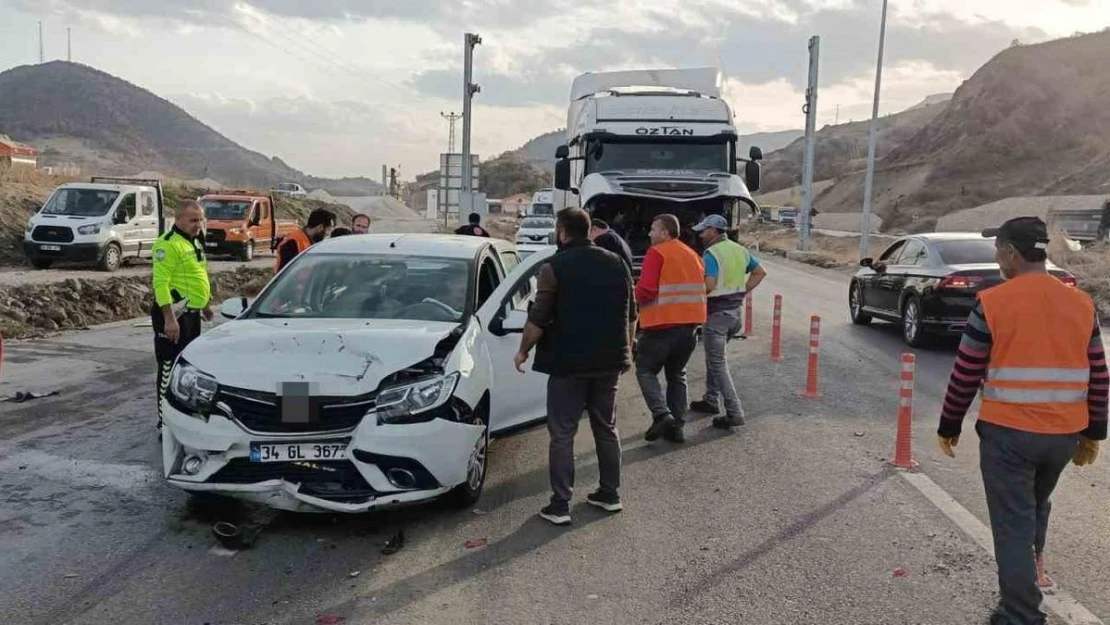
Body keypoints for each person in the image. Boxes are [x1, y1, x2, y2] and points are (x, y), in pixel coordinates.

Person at [936, 217, 1106, 625]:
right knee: (1034, 506)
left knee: (1012, 522)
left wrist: (949, 425)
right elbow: (1099, 372)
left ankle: (1020, 612)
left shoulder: (994, 302)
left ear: (1011, 252)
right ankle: (1030, 580)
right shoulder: (1080, 302)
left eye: (998, 250)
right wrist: (1095, 432)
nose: (997, 258)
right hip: (1063, 435)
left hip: (1009, 435)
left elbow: (966, 371)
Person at [514, 207, 636, 526]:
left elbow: (539, 318)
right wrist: (627, 352)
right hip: (609, 362)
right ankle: (610, 494)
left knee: (563, 433)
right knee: (606, 427)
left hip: (568, 364)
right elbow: (632, 315)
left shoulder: (553, 266)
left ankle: (560, 505)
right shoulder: (618, 264)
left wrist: (522, 351)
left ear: (563, 231)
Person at [634, 214, 707, 443]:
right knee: (677, 375)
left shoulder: (657, 253)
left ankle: (661, 414)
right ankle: (676, 426)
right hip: (689, 328)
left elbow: (646, 291)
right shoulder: (693, 255)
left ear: (665, 232)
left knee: (645, 370)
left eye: (653, 229)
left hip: (661, 326)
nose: (649, 233)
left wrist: (628, 293)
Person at [688, 214, 766, 428]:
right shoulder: (739, 250)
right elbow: (760, 272)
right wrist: (742, 291)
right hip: (734, 315)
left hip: (717, 317)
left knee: (718, 363)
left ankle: (735, 412)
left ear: (713, 231)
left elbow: (710, 285)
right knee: (715, 359)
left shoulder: (711, 254)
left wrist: (689, 293)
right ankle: (710, 400)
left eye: (704, 231)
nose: (701, 235)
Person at [151, 200, 213, 429]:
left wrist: (205, 304)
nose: (199, 224)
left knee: (188, 368)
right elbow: (161, 283)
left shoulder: (194, 242)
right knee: (168, 366)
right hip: (173, 316)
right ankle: (164, 421)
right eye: (193, 220)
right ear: (178, 220)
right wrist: (169, 319)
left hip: (192, 314)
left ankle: (184, 415)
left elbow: (199, 274)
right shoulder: (167, 244)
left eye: (201, 220)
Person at [275, 208, 334, 272]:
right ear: (320, 227)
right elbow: (284, 274)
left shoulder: (315, 242)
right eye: (328, 230)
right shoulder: (292, 242)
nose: (328, 234)